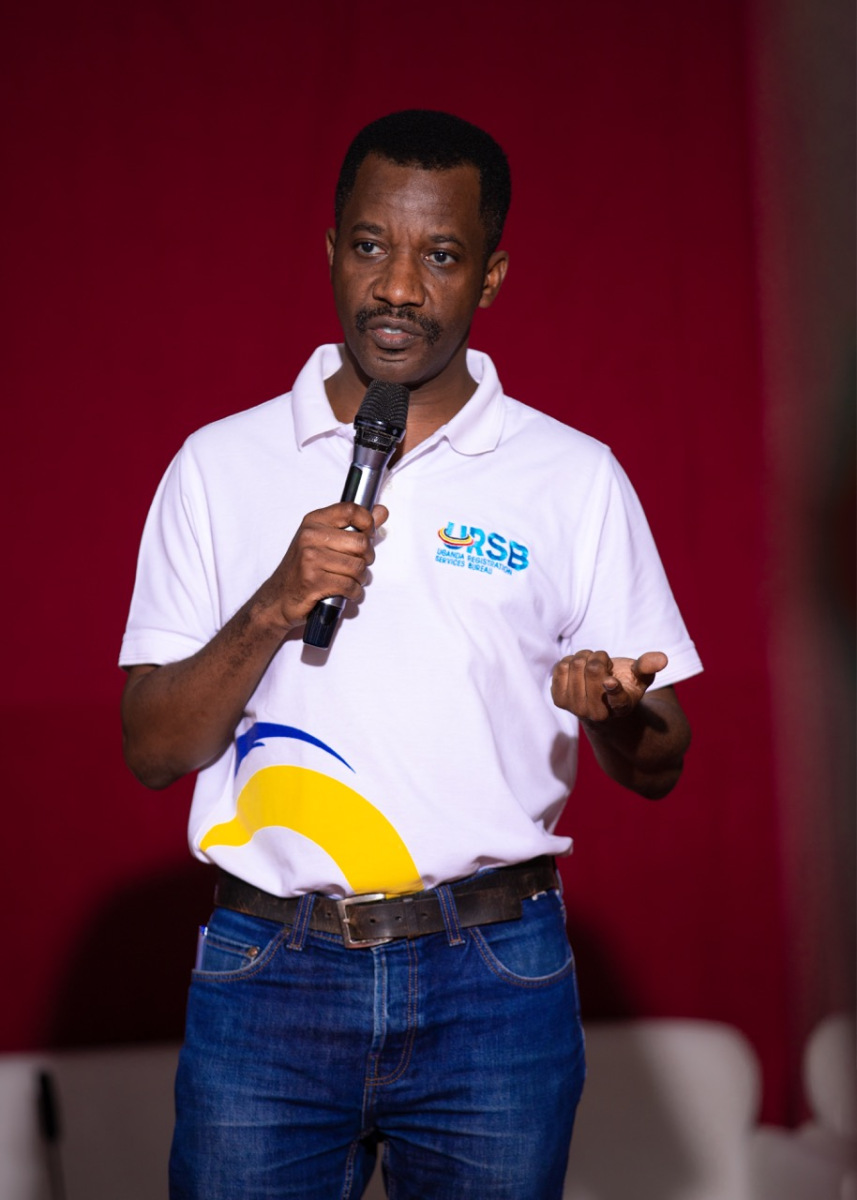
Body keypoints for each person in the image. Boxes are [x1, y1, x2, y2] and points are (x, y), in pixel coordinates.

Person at [120, 109, 702, 1200]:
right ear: (329, 251)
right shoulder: (217, 464)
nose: (396, 287)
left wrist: (616, 708)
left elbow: (660, 760)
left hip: (493, 979)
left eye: (439, 256)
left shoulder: (571, 476)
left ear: (489, 277)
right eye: (369, 246)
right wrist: (272, 606)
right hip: (269, 974)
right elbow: (153, 750)